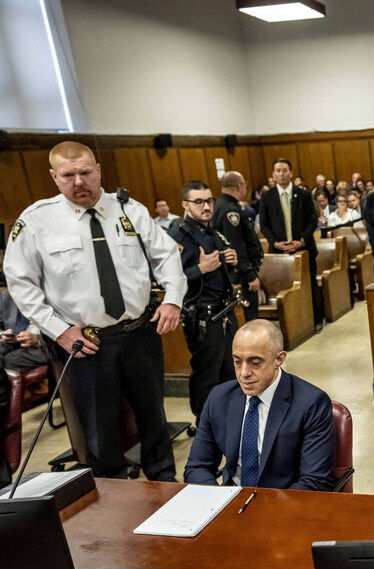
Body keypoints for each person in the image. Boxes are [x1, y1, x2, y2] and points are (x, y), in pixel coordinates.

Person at [4, 141, 185, 480]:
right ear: (53, 177)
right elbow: (20, 283)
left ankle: (165, 484)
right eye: (68, 175)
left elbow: (167, 256)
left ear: (98, 170)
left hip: (139, 334)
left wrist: (173, 297)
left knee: (153, 417)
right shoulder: (37, 221)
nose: (78, 182)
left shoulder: (130, 210)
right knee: (99, 431)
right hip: (86, 343)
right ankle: (112, 496)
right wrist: (58, 329)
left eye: (85, 172)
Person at [183, 320, 336, 491]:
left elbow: (314, 483)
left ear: (279, 359)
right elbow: (197, 467)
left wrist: (261, 511)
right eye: (237, 362)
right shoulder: (219, 398)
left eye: (255, 363)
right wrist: (219, 500)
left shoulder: (311, 403)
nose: (244, 373)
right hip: (230, 501)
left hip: (283, 506)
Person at [170, 181, 240, 423]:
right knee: (206, 374)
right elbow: (168, 278)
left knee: (230, 371)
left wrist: (230, 259)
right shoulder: (180, 235)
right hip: (202, 316)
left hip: (225, 312)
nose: (206, 206)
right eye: (198, 202)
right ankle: (206, 424)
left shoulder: (211, 231)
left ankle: (229, 418)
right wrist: (200, 268)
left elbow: (220, 270)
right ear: (185, 205)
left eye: (209, 201)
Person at [257, 158, 324, 332]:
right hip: (279, 251)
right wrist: (275, 243)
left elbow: (312, 219)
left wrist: (301, 240)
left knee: (309, 286)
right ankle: (292, 324)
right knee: (286, 287)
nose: (281, 173)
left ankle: (316, 319)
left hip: (303, 248)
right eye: (278, 171)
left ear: (291, 173)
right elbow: (263, 224)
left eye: (285, 170)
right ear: (273, 175)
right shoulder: (267, 196)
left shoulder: (302, 194)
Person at [0, 289, 49, 485]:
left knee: (7, 361)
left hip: (43, 348)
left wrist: (36, 338)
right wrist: (4, 335)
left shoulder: (48, 291)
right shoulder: (6, 297)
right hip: (13, 348)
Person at [213, 171, 262, 321]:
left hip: (234, 271)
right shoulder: (230, 211)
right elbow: (236, 246)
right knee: (249, 317)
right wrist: (250, 275)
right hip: (239, 274)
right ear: (239, 186)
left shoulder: (220, 205)